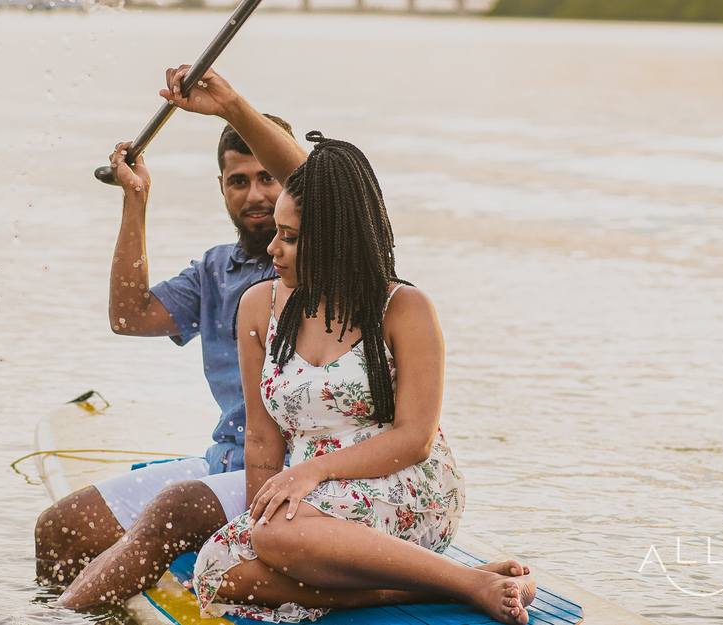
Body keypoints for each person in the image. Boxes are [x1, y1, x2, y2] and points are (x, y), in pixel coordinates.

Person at [184, 130, 538, 625]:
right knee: (220, 573)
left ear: (333, 240)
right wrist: (258, 523)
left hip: (401, 483)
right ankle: (414, 589)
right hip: (304, 501)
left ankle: (472, 583)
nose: (273, 250)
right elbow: (263, 438)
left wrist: (311, 475)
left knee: (273, 537)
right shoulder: (258, 307)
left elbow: (415, 438)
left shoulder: (404, 308)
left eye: (289, 237)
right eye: (275, 234)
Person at [36, 66, 307, 609]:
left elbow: (319, 186)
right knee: (60, 529)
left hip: (303, 473)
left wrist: (231, 105)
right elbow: (129, 316)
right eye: (238, 181)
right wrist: (134, 199)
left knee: (176, 509)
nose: (254, 195)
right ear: (222, 189)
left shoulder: (320, 255)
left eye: (267, 178)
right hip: (228, 461)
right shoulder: (213, 271)